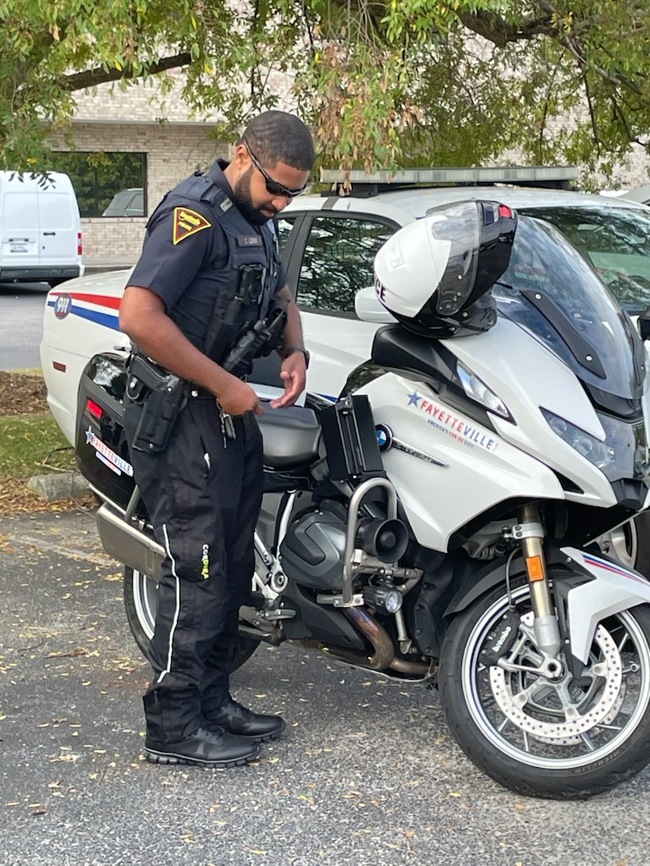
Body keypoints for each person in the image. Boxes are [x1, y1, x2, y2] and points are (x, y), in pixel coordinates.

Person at [119, 110, 315, 768]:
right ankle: (174, 725)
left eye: (293, 194)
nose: (282, 202)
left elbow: (280, 294)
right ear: (242, 155)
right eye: (276, 188)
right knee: (197, 570)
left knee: (231, 566)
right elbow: (138, 316)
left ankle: (213, 701)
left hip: (228, 412)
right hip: (182, 416)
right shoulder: (192, 215)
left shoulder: (257, 221)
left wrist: (294, 352)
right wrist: (223, 384)